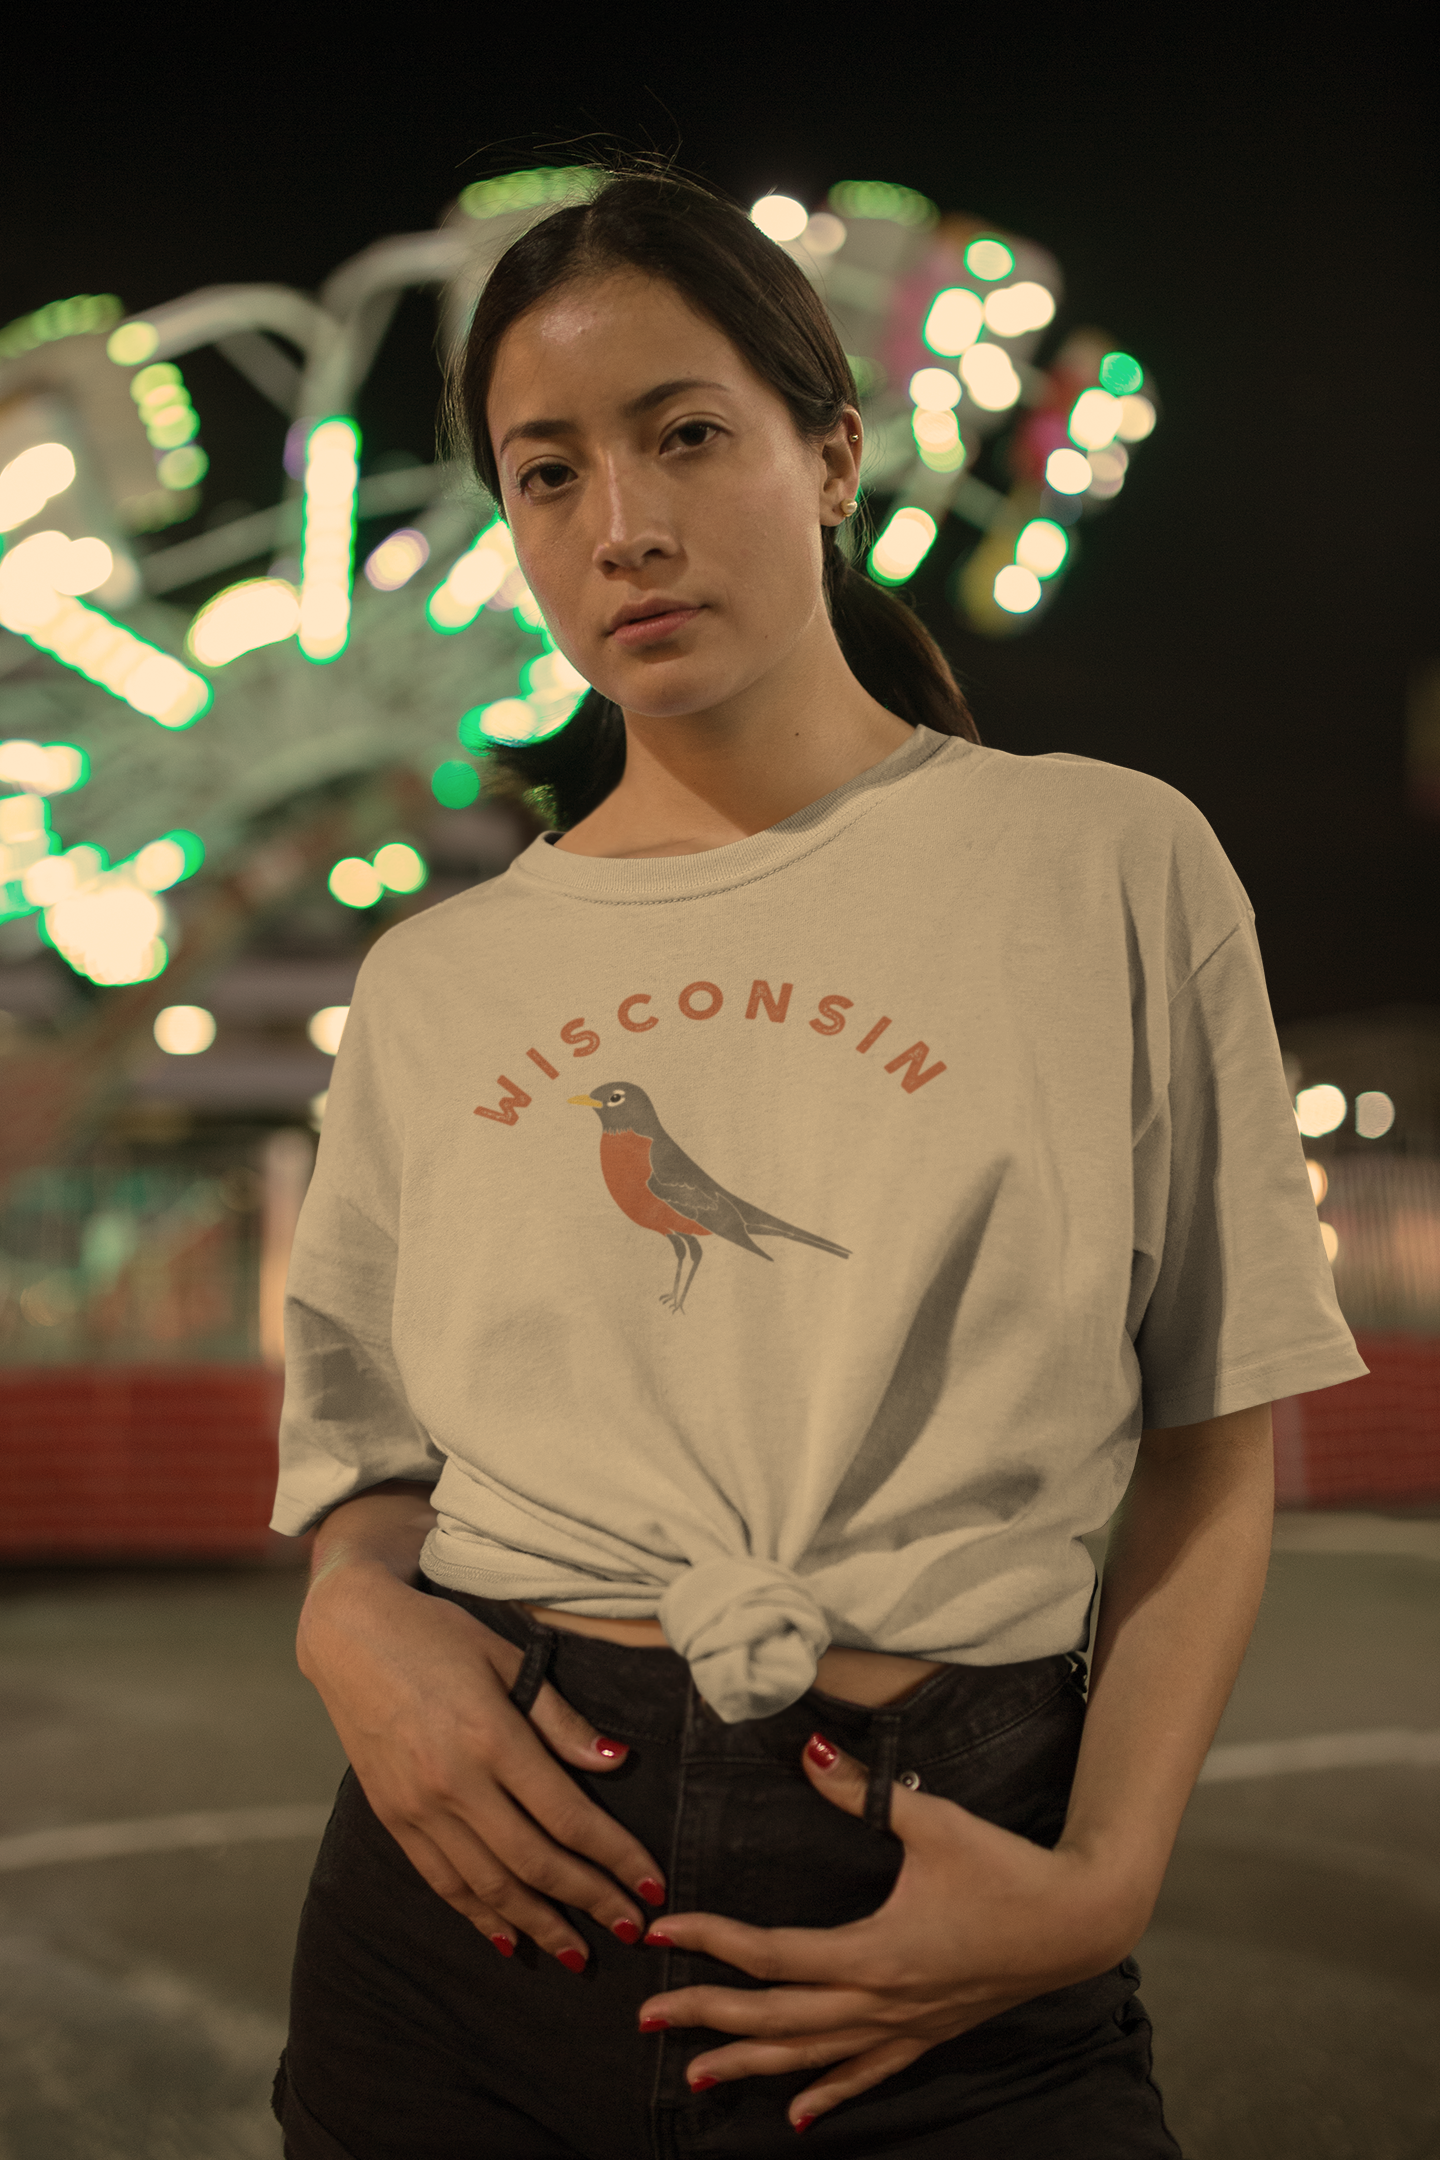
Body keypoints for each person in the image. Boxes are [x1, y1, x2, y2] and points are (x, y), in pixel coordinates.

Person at [267, 164, 1366, 2159]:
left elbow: (1214, 1432)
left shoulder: (1106, 863)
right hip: (477, 1899)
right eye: (545, 473)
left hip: (943, 1875)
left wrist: (1108, 1871)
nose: (624, 529)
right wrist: (349, 1613)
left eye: (687, 435)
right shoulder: (441, 977)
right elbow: (362, 1470)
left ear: (832, 454)